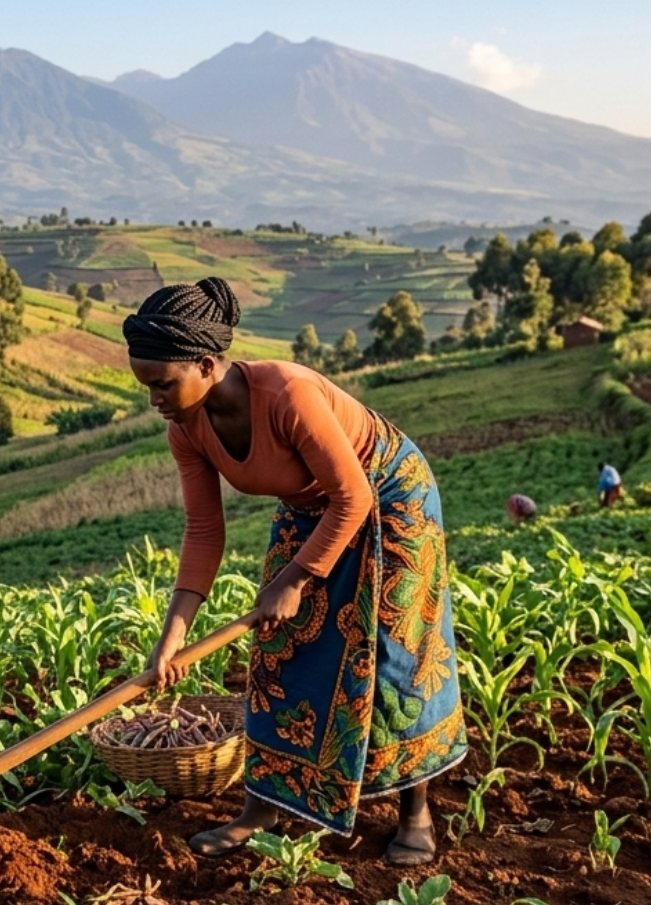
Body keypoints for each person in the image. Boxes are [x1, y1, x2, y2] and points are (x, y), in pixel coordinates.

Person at [127, 278, 464, 867]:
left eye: (161, 384)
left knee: (395, 654)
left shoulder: (287, 393)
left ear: (207, 364)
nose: (154, 399)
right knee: (280, 648)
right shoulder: (186, 428)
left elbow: (354, 498)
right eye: (146, 386)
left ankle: (416, 815)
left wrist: (296, 579)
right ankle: (263, 808)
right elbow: (204, 531)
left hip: (389, 497)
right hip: (314, 507)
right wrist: (173, 635)